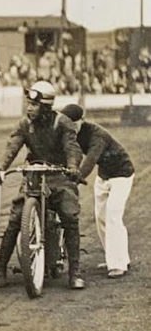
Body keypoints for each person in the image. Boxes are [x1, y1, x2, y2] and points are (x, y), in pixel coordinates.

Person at [0, 81, 85, 289]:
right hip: (34, 175)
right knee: (16, 218)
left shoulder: (63, 123)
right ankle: (0, 268)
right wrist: (0, 168)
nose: (29, 108)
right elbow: (12, 146)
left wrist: (72, 166)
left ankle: (75, 272)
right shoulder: (25, 124)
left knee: (69, 215)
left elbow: (72, 148)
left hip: (59, 175)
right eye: (28, 104)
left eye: (34, 104)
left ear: (46, 106)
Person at [60, 104, 135, 279]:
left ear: (82, 121)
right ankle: (117, 257)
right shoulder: (70, 134)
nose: (70, 128)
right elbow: (71, 153)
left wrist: (76, 178)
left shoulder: (96, 135)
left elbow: (91, 160)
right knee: (101, 217)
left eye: (73, 124)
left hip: (121, 174)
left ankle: (118, 264)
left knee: (113, 216)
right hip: (104, 175)